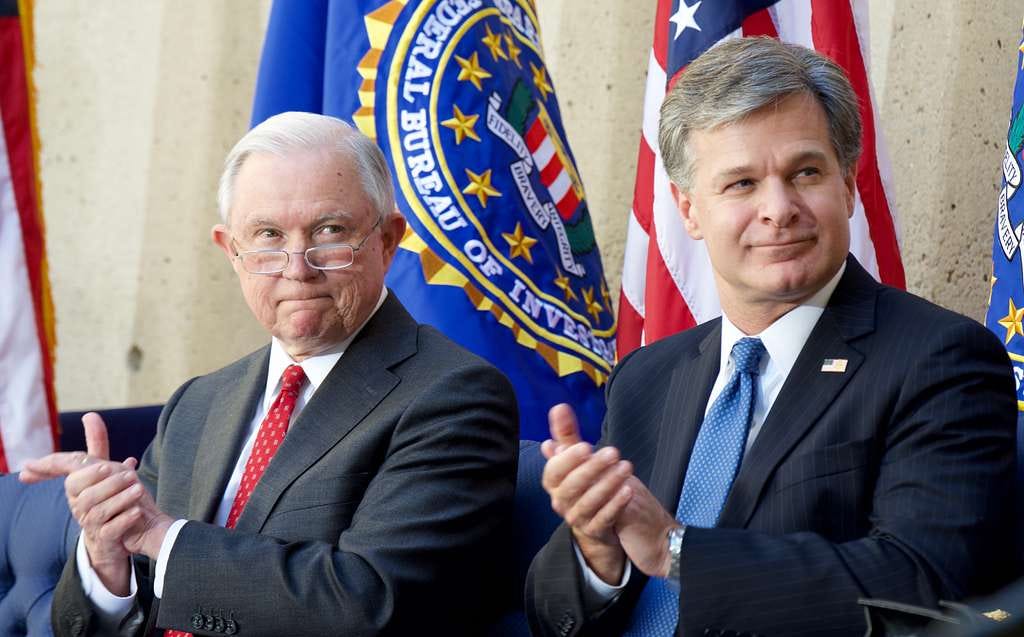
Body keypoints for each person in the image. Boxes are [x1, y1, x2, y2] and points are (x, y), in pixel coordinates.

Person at [525, 37, 1018, 637]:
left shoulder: (939, 360)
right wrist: (597, 553)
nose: (779, 208)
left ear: (848, 188)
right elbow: (552, 615)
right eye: (741, 184)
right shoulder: (648, 375)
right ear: (689, 211)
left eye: (805, 172)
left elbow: (924, 583)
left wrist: (676, 550)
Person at [21, 112, 519, 636]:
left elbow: (372, 603)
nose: (297, 266)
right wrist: (107, 555)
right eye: (267, 235)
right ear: (231, 251)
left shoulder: (452, 396)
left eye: (330, 231)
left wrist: (159, 535)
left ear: (388, 240)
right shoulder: (197, 403)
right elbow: (109, 610)